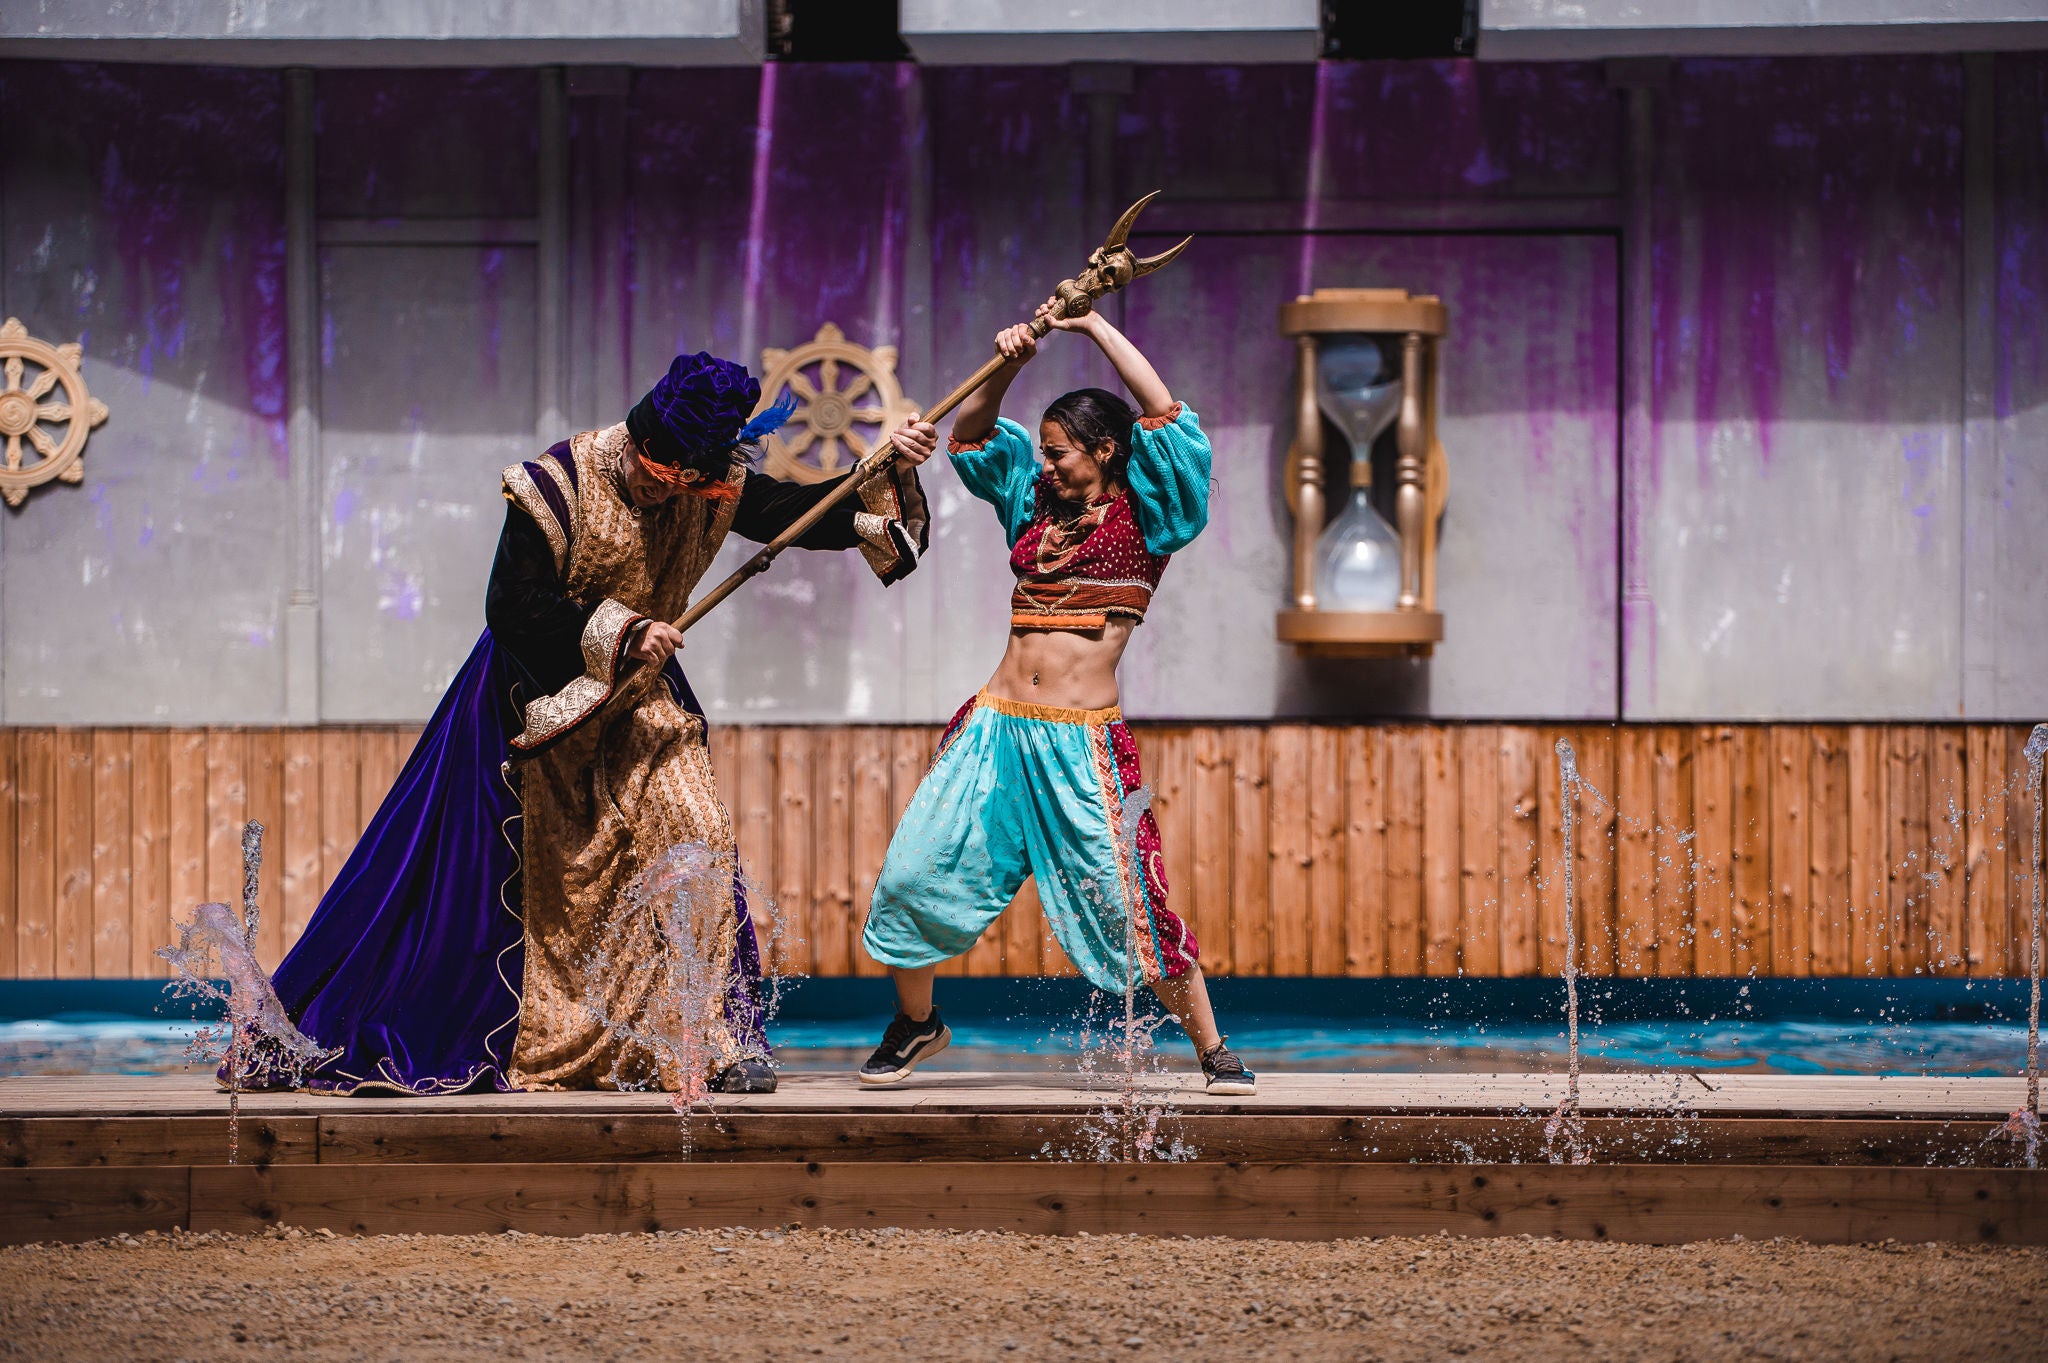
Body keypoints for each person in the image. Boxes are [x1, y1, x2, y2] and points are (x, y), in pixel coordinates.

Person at [256, 350, 937, 1095]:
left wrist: (883, 467)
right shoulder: (556, 483)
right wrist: (621, 630)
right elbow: (510, 609)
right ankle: (545, 1037)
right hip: (531, 699)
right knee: (489, 897)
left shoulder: (709, 483)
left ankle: (711, 1037)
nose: (658, 487)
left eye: (681, 479)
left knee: (698, 833)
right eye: (653, 469)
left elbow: (793, 514)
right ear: (642, 432)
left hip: (642, 696)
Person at [858, 301, 1257, 1095]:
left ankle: (1211, 1047)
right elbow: (972, 436)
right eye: (1042, 452)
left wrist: (1094, 328)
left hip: (1081, 743)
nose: (1045, 465)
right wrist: (1009, 358)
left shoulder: (1152, 516)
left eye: (1061, 453)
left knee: (1130, 905)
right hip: (995, 729)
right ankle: (918, 1023)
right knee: (910, 878)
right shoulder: (1032, 504)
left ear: (1105, 450)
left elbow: (1166, 413)